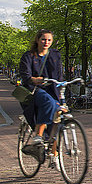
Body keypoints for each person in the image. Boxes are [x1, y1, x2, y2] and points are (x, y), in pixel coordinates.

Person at [19, 29, 64, 169]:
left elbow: (59, 75)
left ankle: (54, 155)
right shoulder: (28, 56)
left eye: (49, 40)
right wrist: (34, 79)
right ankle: (38, 136)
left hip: (52, 90)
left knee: (57, 119)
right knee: (47, 101)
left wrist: (62, 89)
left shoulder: (55, 55)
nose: (46, 42)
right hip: (34, 90)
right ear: (38, 40)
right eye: (43, 39)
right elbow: (25, 76)